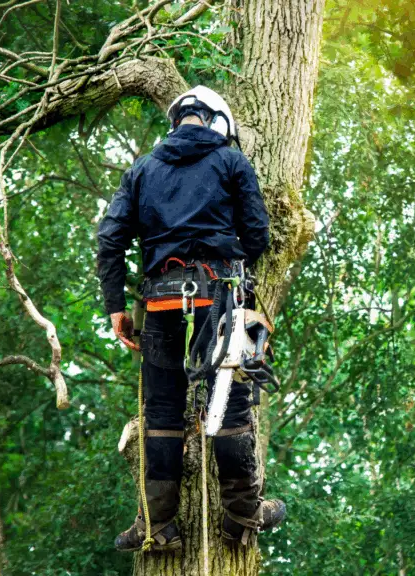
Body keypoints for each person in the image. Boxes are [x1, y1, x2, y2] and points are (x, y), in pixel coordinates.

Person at [96, 85, 286, 551]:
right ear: (218, 122)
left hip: (161, 303)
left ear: (176, 121)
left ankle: (158, 526)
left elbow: (110, 239)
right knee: (232, 403)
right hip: (221, 297)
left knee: (162, 411)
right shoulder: (231, 161)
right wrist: (232, 257)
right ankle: (242, 515)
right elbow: (258, 235)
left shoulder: (142, 169)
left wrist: (116, 307)